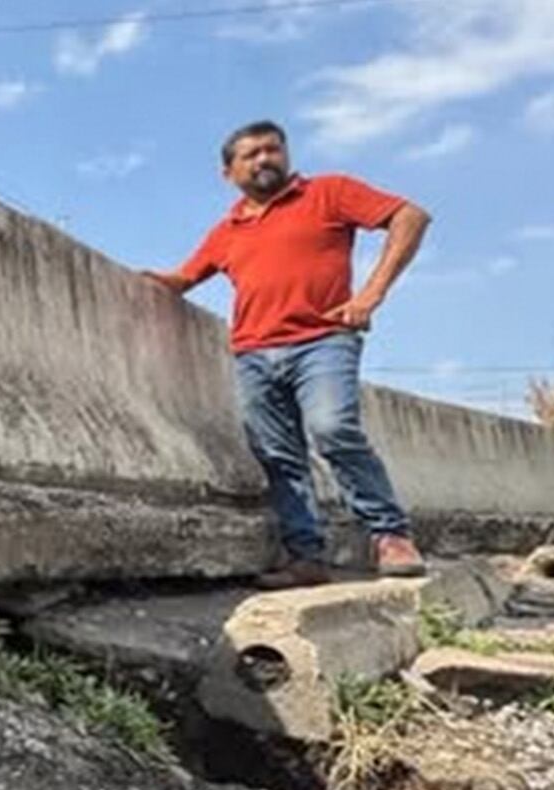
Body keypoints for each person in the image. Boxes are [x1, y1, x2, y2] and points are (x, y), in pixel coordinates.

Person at [145, 120, 431, 588]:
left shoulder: (328, 192)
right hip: (254, 353)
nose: (264, 160)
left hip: (323, 340)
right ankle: (306, 557)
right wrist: (150, 281)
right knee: (277, 455)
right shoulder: (227, 230)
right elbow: (184, 279)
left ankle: (390, 535)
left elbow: (410, 216)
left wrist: (370, 294)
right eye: (251, 154)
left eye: (272, 150)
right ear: (228, 172)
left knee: (333, 428)